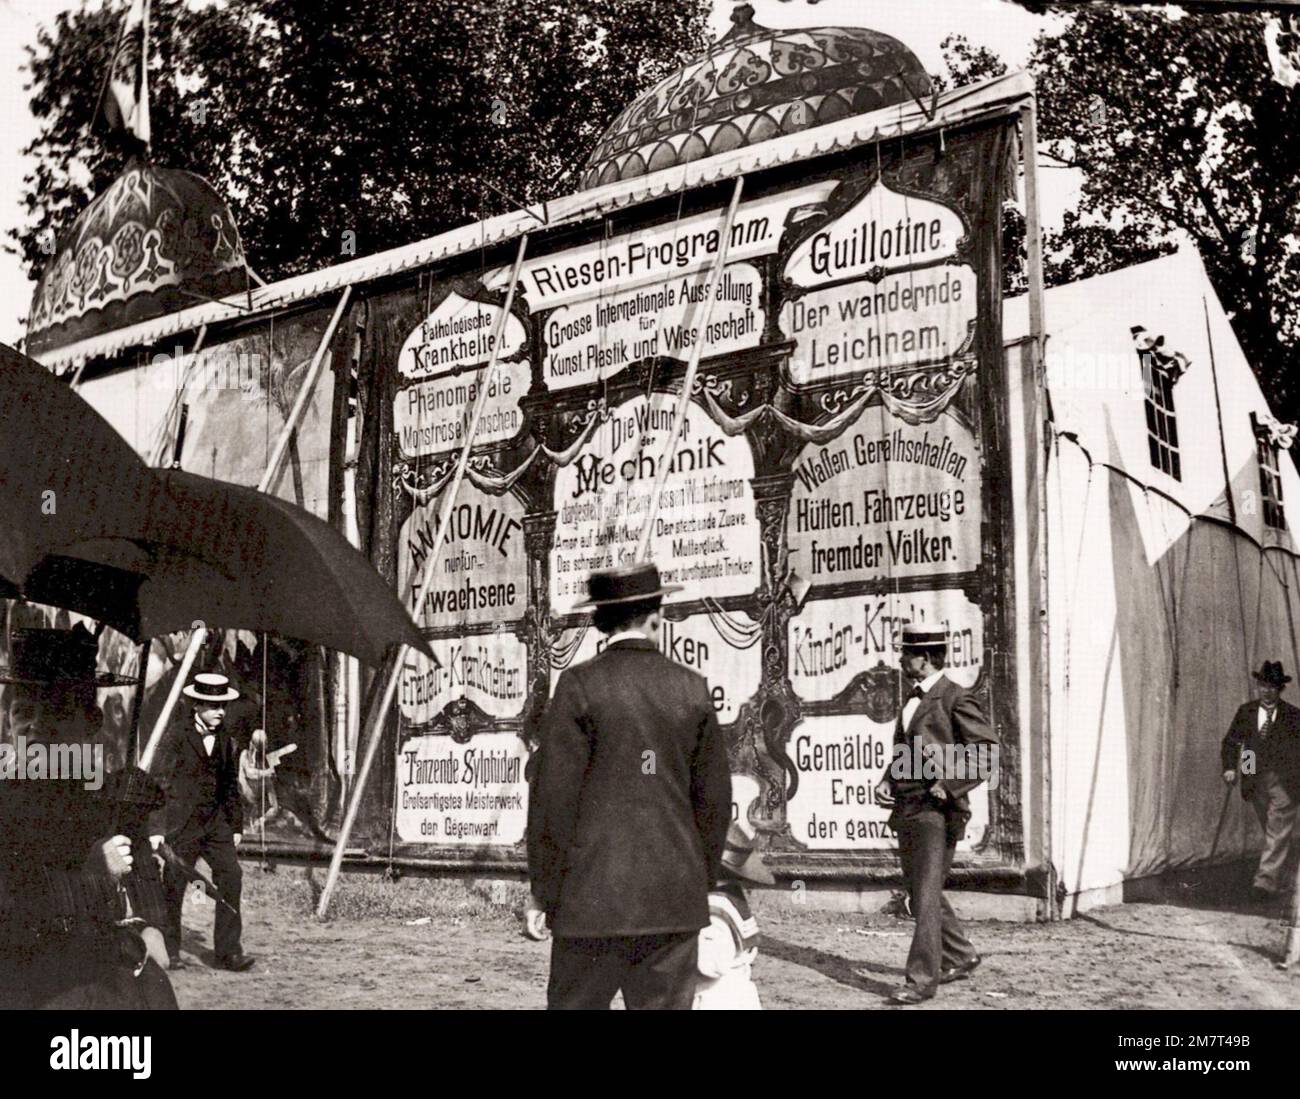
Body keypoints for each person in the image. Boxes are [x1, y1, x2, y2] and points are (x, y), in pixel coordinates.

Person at [525, 562, 732, 1010]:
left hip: (589, 904)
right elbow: (714, 802)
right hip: (673, 902)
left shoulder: (579, 686)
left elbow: (552, 802)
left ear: (599, 620)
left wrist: (543, 890)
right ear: (656, 616)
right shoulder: (692, 689)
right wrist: (700, 877)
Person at [0, 625, 176, 1009]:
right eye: (23, 712)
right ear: (7, 718)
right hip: (24, 973)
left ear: (91, 721)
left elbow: (140, 861)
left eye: (58, 711)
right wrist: (88, 870)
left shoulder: (111, 796)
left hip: (102, 968)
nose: (38, 727)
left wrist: (150, 925)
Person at [873, 624, 998, 1005]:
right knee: (921, 890)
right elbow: (905, 752)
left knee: (924, 895)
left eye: (905, 654)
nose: (899, 660)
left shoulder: (955, 698)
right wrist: (887, 780)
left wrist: (950, 785)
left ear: (924, 659)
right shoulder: (911, 699)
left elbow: (987, 750)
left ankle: (921, 980)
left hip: (937, 810)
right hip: (908, 806)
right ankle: (961, 955)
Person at [149, 672, 255, 972]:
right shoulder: (176, 736)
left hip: (216, 825)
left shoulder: (225, 738)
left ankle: (228, 952)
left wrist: (235, 826)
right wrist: (156, 830)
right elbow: (158, 783)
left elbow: (230, 786)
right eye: (211, 705)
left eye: (222, 704)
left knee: (232, 877)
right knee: (173, 885)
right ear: (196, 705)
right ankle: (169, 951)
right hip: (181, 825)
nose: (219, 711)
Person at [1221, 660, 1300, 901]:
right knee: (1272, 830)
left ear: (1280, 689)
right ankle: (1282, 878)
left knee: (1277, 829)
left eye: (1272, 687)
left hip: (1284, 782)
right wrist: (1232, 769)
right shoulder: (1247, 711)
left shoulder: (1293, 715)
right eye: (1263, 685)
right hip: (1255, 781)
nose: (1267, 691)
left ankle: (1264, 883)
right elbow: (1234, 742)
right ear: (1258, 686)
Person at [693, 822, 773, 1010]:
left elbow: (712, 964)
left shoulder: (714, 909)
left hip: (716, 998)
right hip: (737, 993)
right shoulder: (731, 897)